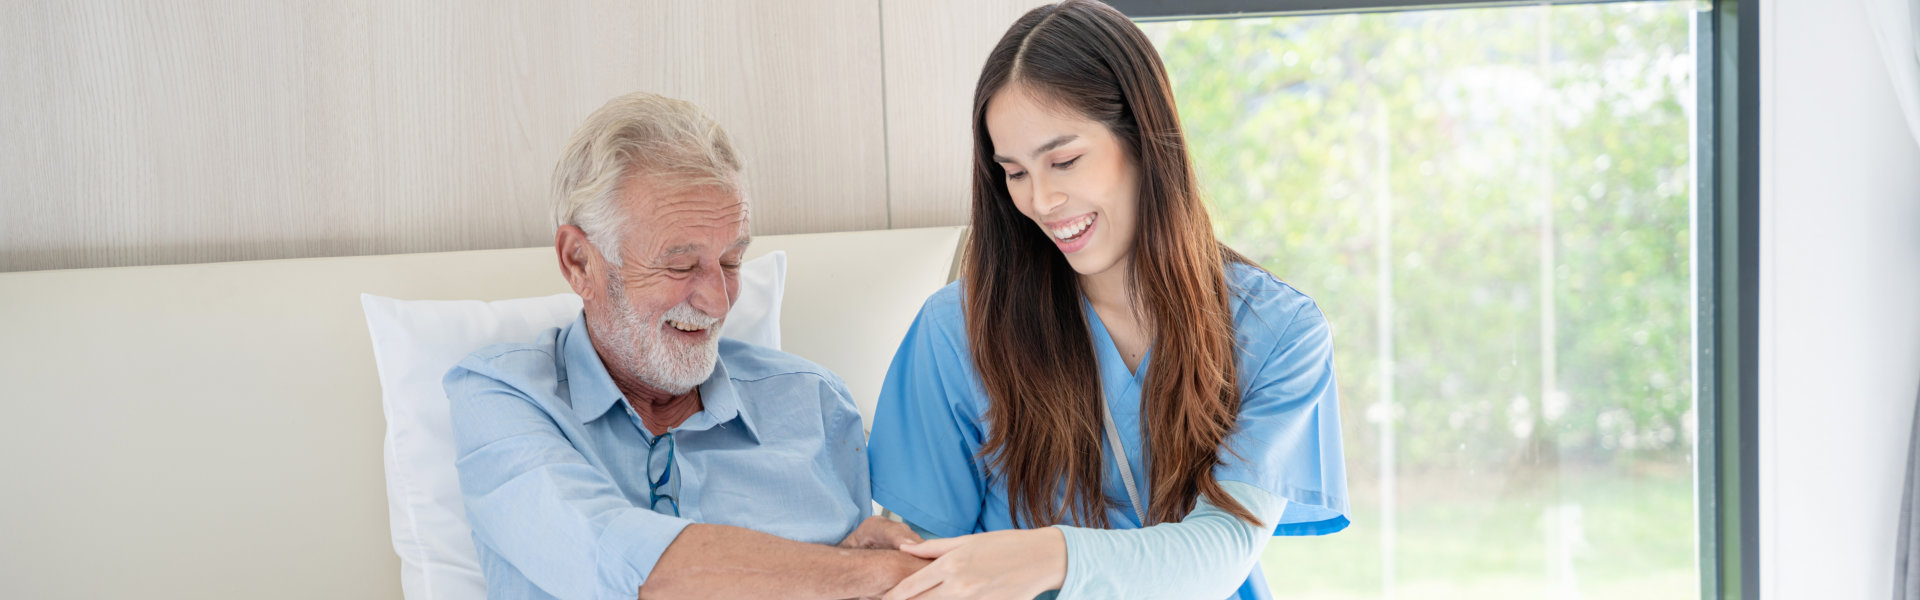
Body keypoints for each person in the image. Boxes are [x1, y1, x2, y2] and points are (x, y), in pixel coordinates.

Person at [866, 2, 1351, 598]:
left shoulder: (1278, 332)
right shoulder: (956, 331)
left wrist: (1053, 554)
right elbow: (924, 564)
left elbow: (1223, 550)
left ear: (1144, 139)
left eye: (1064, 160)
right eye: (1014, 173)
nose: (1041, 200)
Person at [444, 91, 925, 600]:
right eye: (680, 266)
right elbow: (620, 561)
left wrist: (848, 570)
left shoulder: (816, 404)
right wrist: (867, 576)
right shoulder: (502, 397)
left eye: (733, 261)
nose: (718, 302)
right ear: (580, 261)